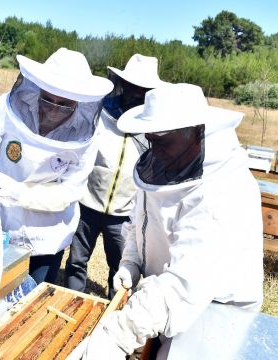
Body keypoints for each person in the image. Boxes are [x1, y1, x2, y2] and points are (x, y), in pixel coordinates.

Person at [83, 83, 264, 359]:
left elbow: (187, 282)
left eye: (163, 141)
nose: (155, 148)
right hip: (170, 300)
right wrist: (131, 262)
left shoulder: (223, 190)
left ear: (194, 133)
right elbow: (139, 221)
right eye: (151, 139)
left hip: (215, 311)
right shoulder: (163, 165)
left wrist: (123, 331)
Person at [0, 48, 114, 284]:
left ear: (78, 103)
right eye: (48, 99)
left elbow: (69, 191)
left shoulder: (87, 134)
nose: (54, 109)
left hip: (47, 234)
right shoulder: (12, 106)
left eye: (64, 104)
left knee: (32, 298)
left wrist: (19, 192)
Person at [65, 54, 166, 299]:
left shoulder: (152, 125)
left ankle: (115, 309)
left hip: (124, 213)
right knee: (77, 260)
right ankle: (68, 299)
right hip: (87, 204)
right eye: (133, 86)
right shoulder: (101, 115)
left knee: (121, 267)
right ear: (123, 84)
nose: (137, 93)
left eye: (144, 89)